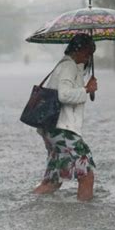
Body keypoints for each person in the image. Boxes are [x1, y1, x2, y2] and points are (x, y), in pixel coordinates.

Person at [33, 33, 98, 201]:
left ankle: (29, 205)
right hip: (63, 131)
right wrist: (86, 90)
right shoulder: (69, 66)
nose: (88, 57)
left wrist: (85, 87)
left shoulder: (65, 66)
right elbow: (64, 95)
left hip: (52, 129)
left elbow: (66, 92)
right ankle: (85, 220)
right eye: (88, 52)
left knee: (52, 182)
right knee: (87, 175)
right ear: (79, 50)